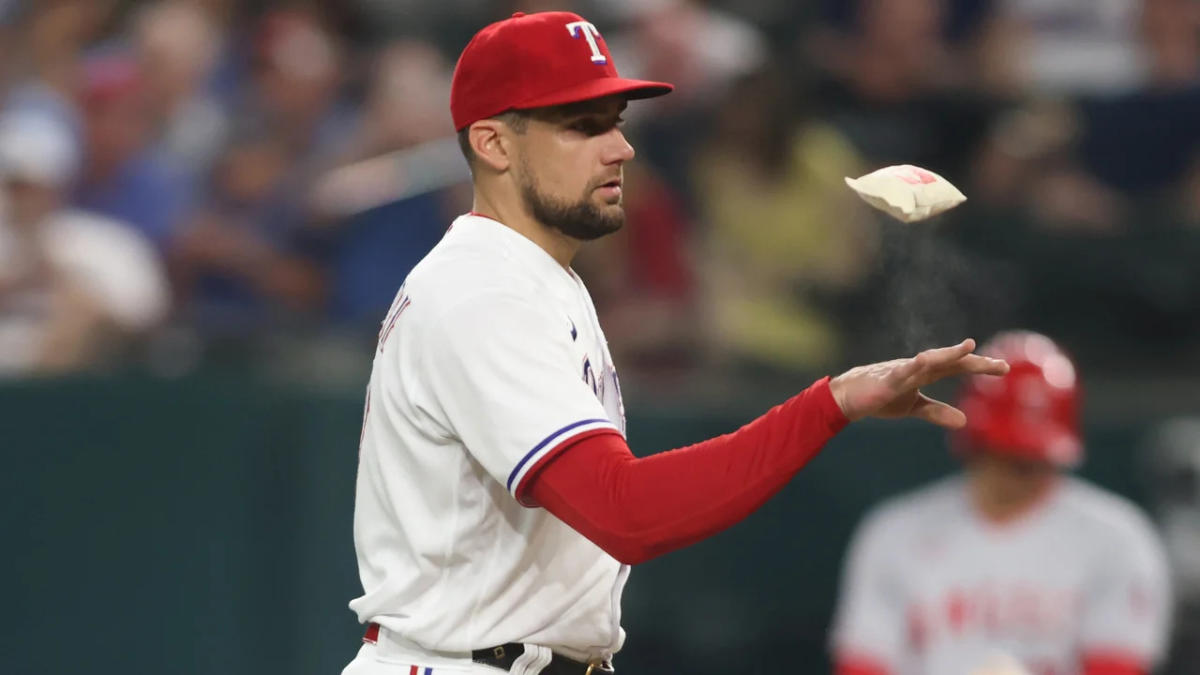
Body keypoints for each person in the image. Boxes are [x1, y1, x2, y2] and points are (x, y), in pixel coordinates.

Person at [342, 11, 1008, 675]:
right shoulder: (483, 291)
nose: (620, 148)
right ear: (493, 143)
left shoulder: (535, 275)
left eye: (615, 122)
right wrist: (828, 403)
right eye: (582, 126)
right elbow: (625, 510)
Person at [830, 330, 1172, 675]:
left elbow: (1118, 666)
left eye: (1031, 458)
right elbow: (862, 666)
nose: (1019, 471)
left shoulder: (1116, 538)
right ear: (977, 441)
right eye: (1008, 452)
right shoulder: (895, 532)